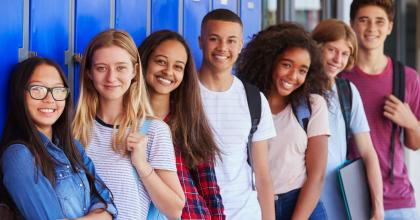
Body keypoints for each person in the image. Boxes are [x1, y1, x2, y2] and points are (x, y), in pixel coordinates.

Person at [72, 29, 185, 220]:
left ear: (135, 71)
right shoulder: (73, 129)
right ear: (89, 73)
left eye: (121, 68)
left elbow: (174, 210)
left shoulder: (154, 131)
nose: (111, 77)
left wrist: (141, 165)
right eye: (101, 68)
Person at [0, 57, 117, 219]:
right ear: (20, 94)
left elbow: (106, 202)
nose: (50, 99)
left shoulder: (73, 147)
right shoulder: (19, 155)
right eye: (38, 89)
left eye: (58, 90)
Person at [237, 23, 330, 220]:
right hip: (255, 205)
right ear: (270, 62)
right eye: (286, 65)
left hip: (301, 205)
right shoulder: (245, 102)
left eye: (302, 70)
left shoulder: (312, 106)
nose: (293, 76)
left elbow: (317, 175)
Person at [341, 0, 420, 219]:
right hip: (348, 197)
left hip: (397, 200)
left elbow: (415, 144)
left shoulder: (408, 78)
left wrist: (411, 123)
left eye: (379, 21)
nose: (372, 28)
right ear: (352, 25)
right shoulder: (339, 78)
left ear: (390, 27)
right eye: (364, 20)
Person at [198, 9, 276, 220]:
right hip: (195, 213)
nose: (223, 47)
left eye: (231, 41)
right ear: (201, 41)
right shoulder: (182, 95)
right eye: (214, 39)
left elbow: (262, 174)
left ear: (240, 45)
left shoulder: (254, 99)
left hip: (244, 213)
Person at [138, 29, 225, 219]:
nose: (168, 72)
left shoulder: (189, 121)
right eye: (160, 61)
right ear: (144, 62)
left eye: (178, 67)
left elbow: (209, 188)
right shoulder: (125, 122)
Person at [312, 18, 384, 220]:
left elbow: (368, 152)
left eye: (345, 54)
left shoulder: (347, 92)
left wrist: (377, 206)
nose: (338, 59)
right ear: (317, 47)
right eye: (332, 50)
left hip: (340, 197)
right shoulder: (299, 88)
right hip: (301, 197)